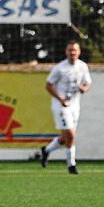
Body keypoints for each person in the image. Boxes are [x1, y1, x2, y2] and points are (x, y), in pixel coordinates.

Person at [38, 41, 92, 174]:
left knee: (64, 138)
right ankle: (71, 165)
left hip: (75, 106)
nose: (72, 53)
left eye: (75, 50)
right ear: (66, 52)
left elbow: (88, 83)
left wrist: (84, 88)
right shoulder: (60, 68)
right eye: (70, 50)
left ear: (79, 52)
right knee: (71, 135)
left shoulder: (82, 66)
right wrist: (60, 99)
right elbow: (48, 85)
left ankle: (46, 150)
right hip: (61, 106)